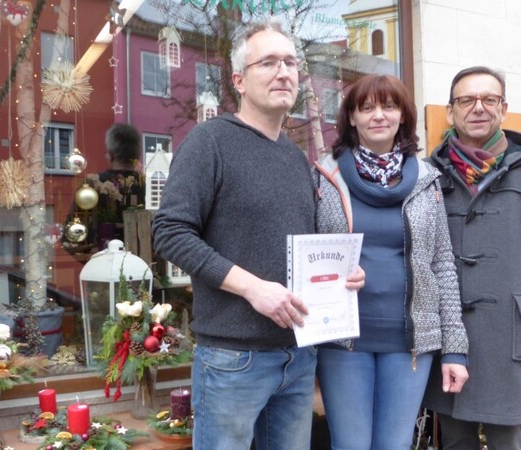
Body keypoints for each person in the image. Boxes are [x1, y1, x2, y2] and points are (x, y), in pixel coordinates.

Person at [153, 19, 364, 450]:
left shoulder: (294, 157)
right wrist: (252, 288)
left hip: (298, 354)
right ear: (239, 80)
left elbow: (301, 247)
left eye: (290, 62)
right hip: (233, 358)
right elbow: (170, 232)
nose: (283, 72)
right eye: (267, 62)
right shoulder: (209, 143)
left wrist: (341, 275)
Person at [422, 66, 521, 449]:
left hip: (511, 335)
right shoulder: (429, 174)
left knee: (507, 440)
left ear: (503, 108)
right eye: (466, 100)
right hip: (449, 336)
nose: (478, 108)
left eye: (489, 99)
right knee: (455, 438)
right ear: (451, 111)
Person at [311, 74, 469, 449]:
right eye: (366, 108)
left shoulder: (428, 180)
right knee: (349, 444)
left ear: (403, 116)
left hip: (410, 343)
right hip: (342, 340)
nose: (377, 115)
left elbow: (443, 263)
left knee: (395, 445)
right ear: (351, 118)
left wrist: (455, 348)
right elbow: (306, 257)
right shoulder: (324, 176)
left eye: (388, 106)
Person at [65, 123, 145, 254]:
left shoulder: (90, 185)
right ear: (137, 155)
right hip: (143, 262)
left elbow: (72, 235)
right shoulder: (147, 184)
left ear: (110, 154)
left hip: (98, 262)